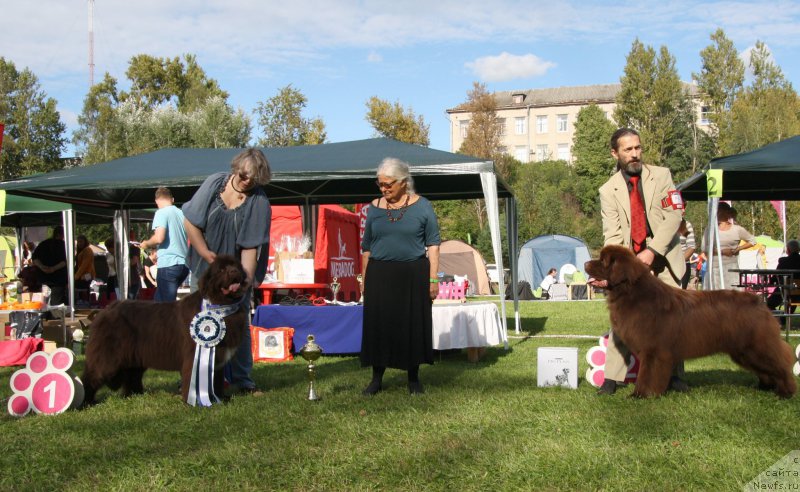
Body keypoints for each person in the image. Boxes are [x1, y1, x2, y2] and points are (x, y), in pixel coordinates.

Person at [589, 128, 687, 395]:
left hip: (664, 257)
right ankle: (611, 378)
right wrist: (617, 271)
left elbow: (674, 217)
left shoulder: (663, 175)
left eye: (637, 148)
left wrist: (652, 251)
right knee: (622, 318)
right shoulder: (608, 190)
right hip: (632, 262)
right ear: (615, 153)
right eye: (628, 150)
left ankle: (675, 377)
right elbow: (614, 234)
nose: (634, 154)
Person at [182, 148, 272, 394]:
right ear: (235, 168)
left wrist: (244, 283)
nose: (247, 182)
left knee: (239, 324)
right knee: (196, 323)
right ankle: (192, 379)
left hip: (234, 274)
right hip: (203, 269)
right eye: (244, 175)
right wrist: (204, 253)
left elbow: (251, 247)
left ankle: (242, 381)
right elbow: (190, 220)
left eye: (253, 179)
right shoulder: (214, 183)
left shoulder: (259, 201)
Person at [360, 157, 441, 395]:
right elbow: (367, 247)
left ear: (404, 182)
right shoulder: (374, 208)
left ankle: (413, 379)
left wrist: (433, 279)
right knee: (379, 326)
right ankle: (376, 379)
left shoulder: (423, 206)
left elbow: (434, 244)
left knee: (411, 325)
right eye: (380, 184)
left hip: (413, 274)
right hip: (379, 274)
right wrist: (365, 280)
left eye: (389, 184)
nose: (384, 189)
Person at [139, 187, 189, 302]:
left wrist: (146, 243)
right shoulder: (181, 213)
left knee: (165, 306)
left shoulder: (161, 213)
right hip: (183, 264)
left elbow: (159, 238)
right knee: (159, 301)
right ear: (172, 199)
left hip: (168, 263)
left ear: (156, 201)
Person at [701, 202, 756, 290]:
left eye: (718, 211)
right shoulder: (710, 229)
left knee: (732, 297)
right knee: (713, 297)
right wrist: (722, 252)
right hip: (713, 268)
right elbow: (704, 248)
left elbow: (753, 241)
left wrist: (738, 249)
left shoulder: (737, 229)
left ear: (726, 212)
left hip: (731, 268)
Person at [32, 226, 68, 305]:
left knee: (43, 302)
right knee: (56, 303)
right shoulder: (64, 245)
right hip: (58, 280)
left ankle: (45, 316)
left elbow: (34, 258)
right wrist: (53, 269)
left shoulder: (43, 243)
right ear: (62, 234)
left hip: (43, 278)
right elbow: (65, 261)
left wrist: (42, 267)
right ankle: (55, 317)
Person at [767, 239, 800, 312]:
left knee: (768, 304)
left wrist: (770, 282)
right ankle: (785, 318)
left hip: (785, 292)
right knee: (791, 297)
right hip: (797, 294)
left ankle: (780, 319)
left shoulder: (783, 261)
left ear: (788, 249)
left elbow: (775, 277)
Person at [678, 219, 697, 289]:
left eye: (684, 207)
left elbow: (691, 247)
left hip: (683, 265)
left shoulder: (687, 224)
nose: (683, 210)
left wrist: (679, 262)